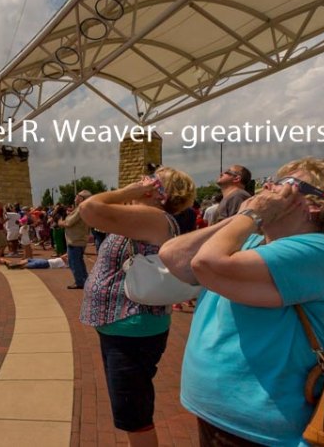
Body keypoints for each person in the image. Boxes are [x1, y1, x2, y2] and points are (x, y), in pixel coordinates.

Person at [159, 157, 324, 445]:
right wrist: (244, 218)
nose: (268, 187)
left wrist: (252, 216)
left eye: (285, 184)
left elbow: (206, 263)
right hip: (218, 411)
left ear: (317, 204)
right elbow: (173, 256)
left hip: (259, 426)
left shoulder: (322, 250)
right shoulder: (252, 241)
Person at [78, 168, 196, 447]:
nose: (142, 178)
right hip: (124, 326)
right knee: (132, 410)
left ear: (158, 191)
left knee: (135, 415)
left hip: (132, 327)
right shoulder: (143, 217)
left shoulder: (154, 217)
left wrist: (129, 192)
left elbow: (89, 208)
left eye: (151, 178)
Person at [63, 191, 93, 290]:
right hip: (79, 239)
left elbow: (69, 222)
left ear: (82, 198)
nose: (75, 197)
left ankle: (80, 282)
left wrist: (60, 222)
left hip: (76, 240)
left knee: (74, 263)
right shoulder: (85, 208)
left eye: (77, 196)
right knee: (78, 262)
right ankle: (84, 280)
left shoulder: (81, 208)